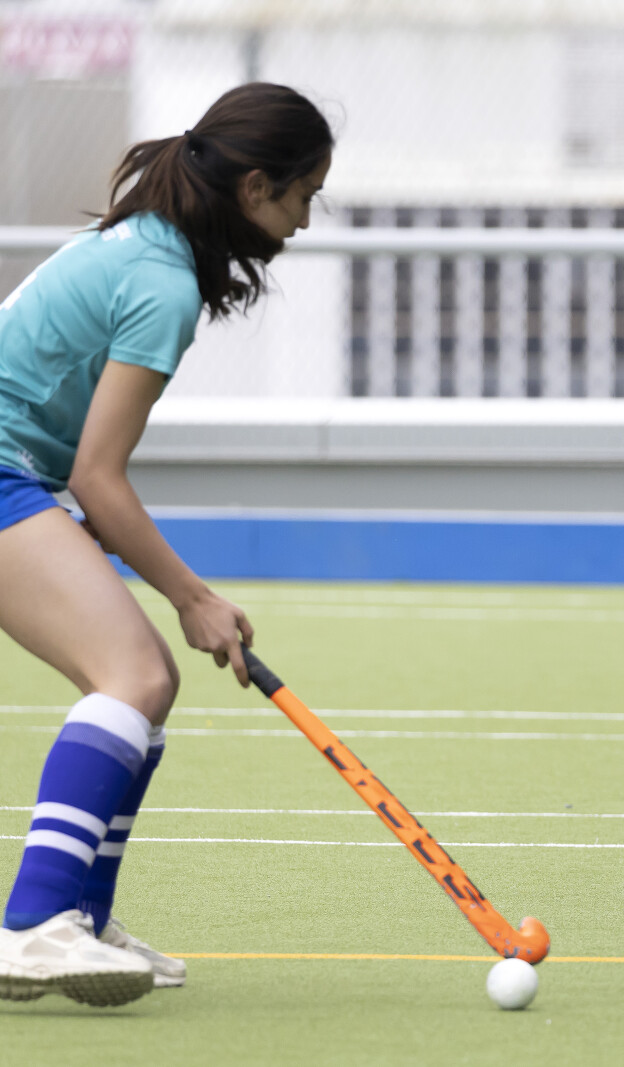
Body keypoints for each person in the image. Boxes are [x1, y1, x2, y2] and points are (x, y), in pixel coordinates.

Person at [0, 84, 333, 1006]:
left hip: (18, 472)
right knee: (135, 675)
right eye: (304, 196)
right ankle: (32, 924)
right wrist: (194, 596)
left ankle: (78, 916)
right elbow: (99, 477)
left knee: (149, 682)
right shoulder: (163, 283)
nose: (305, 222)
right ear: (255, 187)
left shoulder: (147, 245)